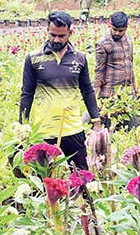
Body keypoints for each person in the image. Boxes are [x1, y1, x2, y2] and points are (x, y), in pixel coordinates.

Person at [19, 11, 102, 170]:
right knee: (45, 176)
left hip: (72, 127)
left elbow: (87, 91)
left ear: (71, 32)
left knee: (81, 173)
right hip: (44, 129)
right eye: (52, 35)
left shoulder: (79, 58)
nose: (56, 40)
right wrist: (23, 125)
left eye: (61, 36)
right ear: (47, 31)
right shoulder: (33, 58)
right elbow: (27, 94)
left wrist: (96, 120)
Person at [94, 11, 137, 99]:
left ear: (126, 28)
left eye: (120, 31)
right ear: (110, 25)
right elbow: (99, 70)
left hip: (126, 92)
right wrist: (94, 90)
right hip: (109, 93)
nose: (117, 33)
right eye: (114, 29)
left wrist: (134, 88)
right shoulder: (103, 43)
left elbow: (130, 64)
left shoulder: (129, 41)